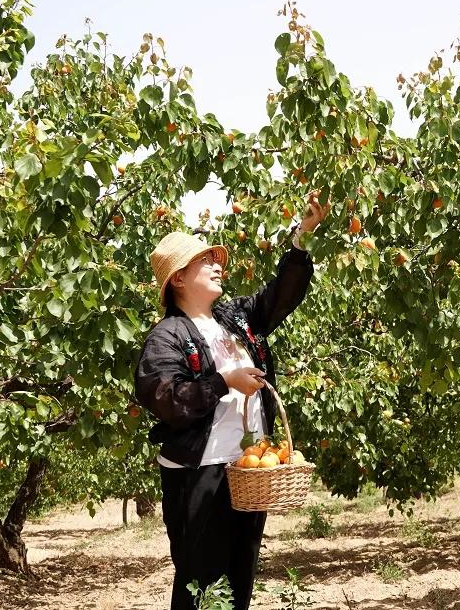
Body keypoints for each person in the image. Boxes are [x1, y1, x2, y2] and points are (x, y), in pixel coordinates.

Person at [135, 192, 326, 610]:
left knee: (239, 581)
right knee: (201, 587)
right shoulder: (166, 337)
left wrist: (301, 238)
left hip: (247, 472)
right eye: (205, 261)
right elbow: (168, 399)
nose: (217, 264)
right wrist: (225, 381)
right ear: (179, 279)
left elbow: (280, 297)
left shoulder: (234, 319)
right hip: (199, 474)